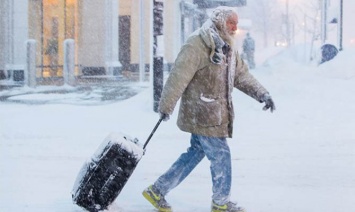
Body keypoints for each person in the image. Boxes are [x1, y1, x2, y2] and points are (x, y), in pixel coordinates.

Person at [142, 6, 275, 212]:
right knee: (221, 155)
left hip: (215, 112)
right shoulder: (198, 44)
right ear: (221, 22)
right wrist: (166, 105)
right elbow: (178, 76)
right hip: (202, 112)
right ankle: (220, 202)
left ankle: (157, 190)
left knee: (195, 153)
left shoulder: (227, 47)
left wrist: (262, 94)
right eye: (232, 22)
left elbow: (241, 75)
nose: (235, 27)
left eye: (236, 23)